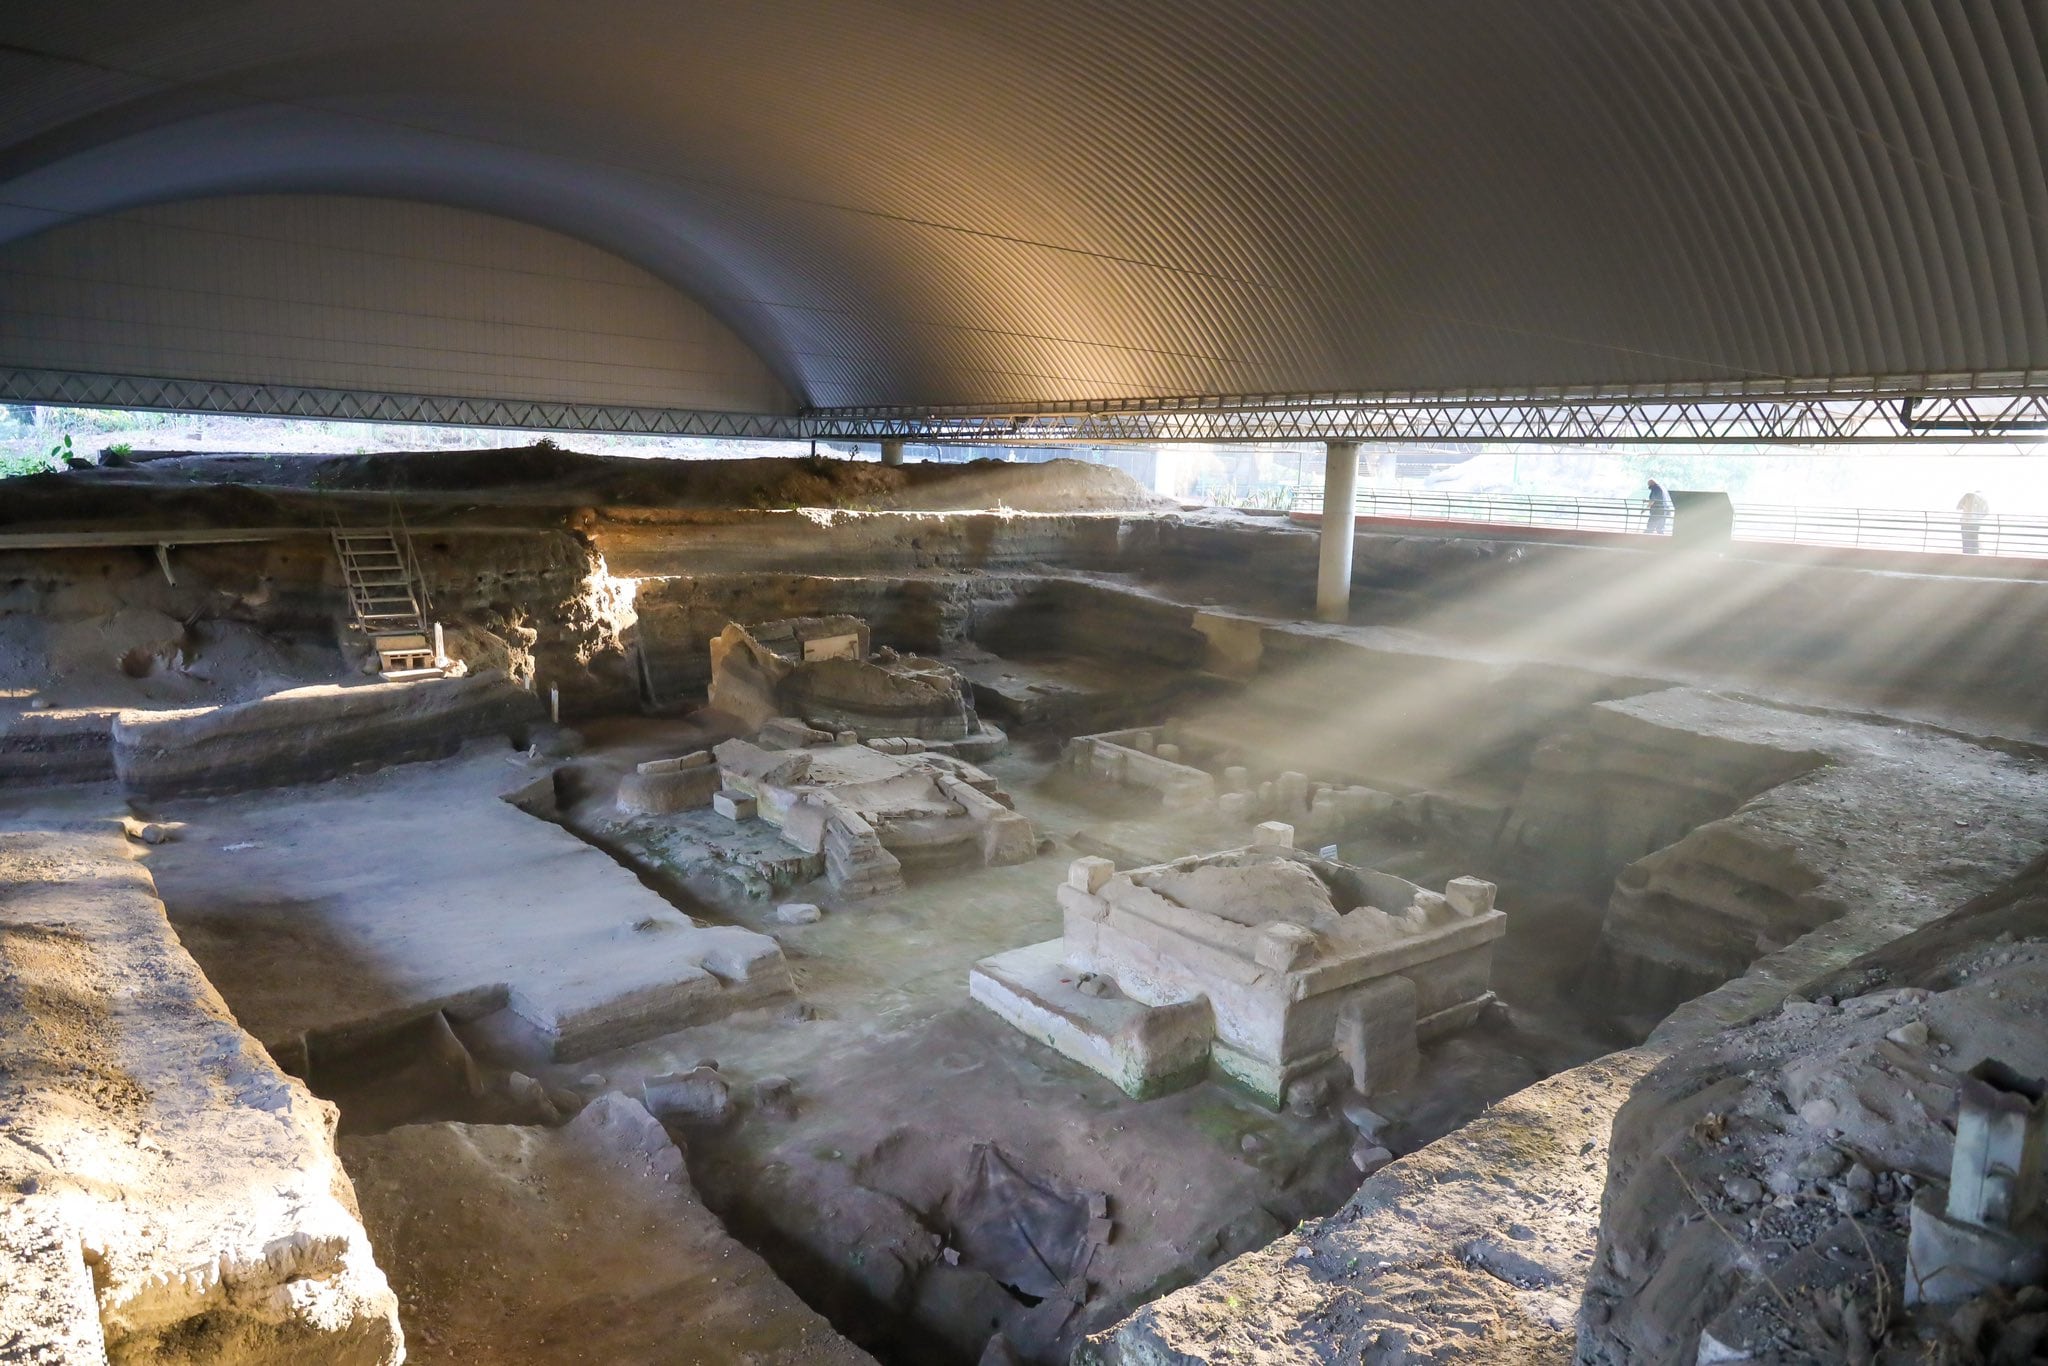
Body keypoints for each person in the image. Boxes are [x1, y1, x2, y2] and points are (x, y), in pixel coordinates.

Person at [1957, 490, 1990, 554]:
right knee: (1974, 541)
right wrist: (1979, 517)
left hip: (1966, 521)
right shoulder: (1984, 499)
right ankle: (1975, 556)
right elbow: (1987, 512)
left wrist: (1965, 507)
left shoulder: (1968, 495)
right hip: (1976, 523)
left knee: (1966, 542)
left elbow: (1958, 507)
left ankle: (1965, 557)